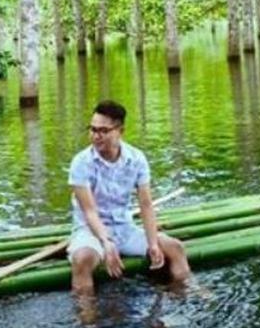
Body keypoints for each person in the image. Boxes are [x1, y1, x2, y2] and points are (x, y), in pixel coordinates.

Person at [68, 100, 190, 296]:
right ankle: (88, 321)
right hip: (90, 231)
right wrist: (106, 243)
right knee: (82, 260)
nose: (96, 136)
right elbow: (89, 212)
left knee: (175, 247)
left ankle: (187, 294)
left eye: (103, 131)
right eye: (92, 129)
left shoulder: (136, 159)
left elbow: (146, 205)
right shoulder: (81, 163)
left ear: (120, 131)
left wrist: (152, 244)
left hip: (124, 229)